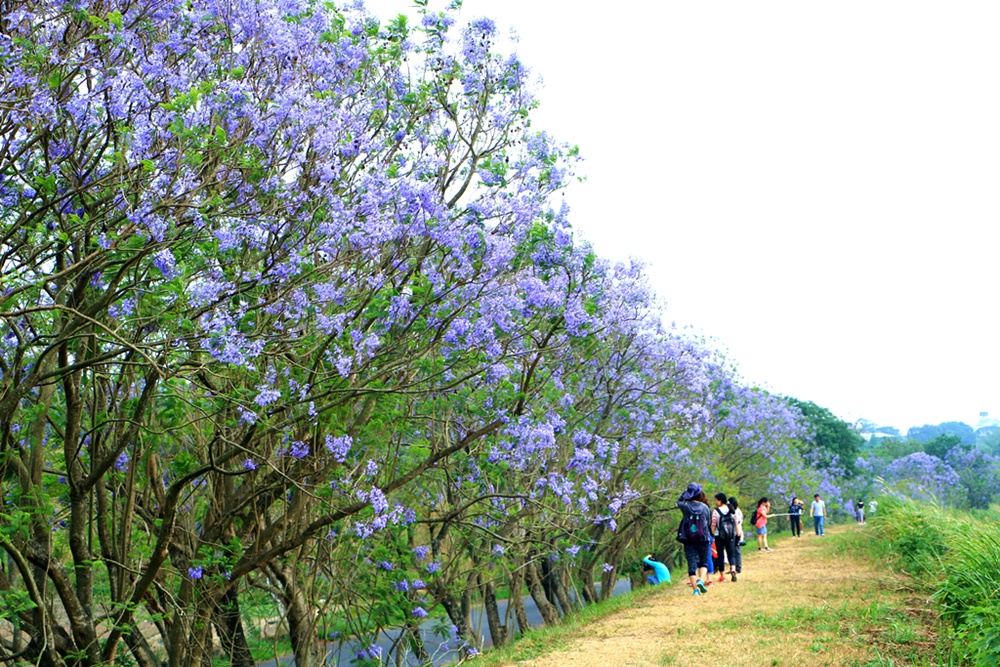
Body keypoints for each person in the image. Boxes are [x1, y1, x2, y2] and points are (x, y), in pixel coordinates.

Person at [676, 483, 712, 595]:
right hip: (703, 538)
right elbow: (709, 522)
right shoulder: (705, 507)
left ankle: (695, 590)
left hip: (689, 539)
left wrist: (684, 494)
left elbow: (678, 502)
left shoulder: (685, 507)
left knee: (691, 564)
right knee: (704, 562)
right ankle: (701, 579)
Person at [711, 492, 739, 582]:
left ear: (720, 501)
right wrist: (737, 531)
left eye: (716, 500)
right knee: (731, 554)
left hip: (719, 535)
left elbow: (713, 524)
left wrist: (711, 533)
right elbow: (736, 521)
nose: (715, 502)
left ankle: (722, 576)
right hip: (731, 535)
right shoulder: (731, 509)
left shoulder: (716, 511)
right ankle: (733, 569)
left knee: (721, 555)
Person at [728, 496, 744, 577]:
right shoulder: (738, 511)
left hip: (736, 532)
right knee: (733, 551)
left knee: (736, 551)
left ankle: (738, 568)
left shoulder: (736, 512)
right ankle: (733, 568)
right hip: (737, 532)